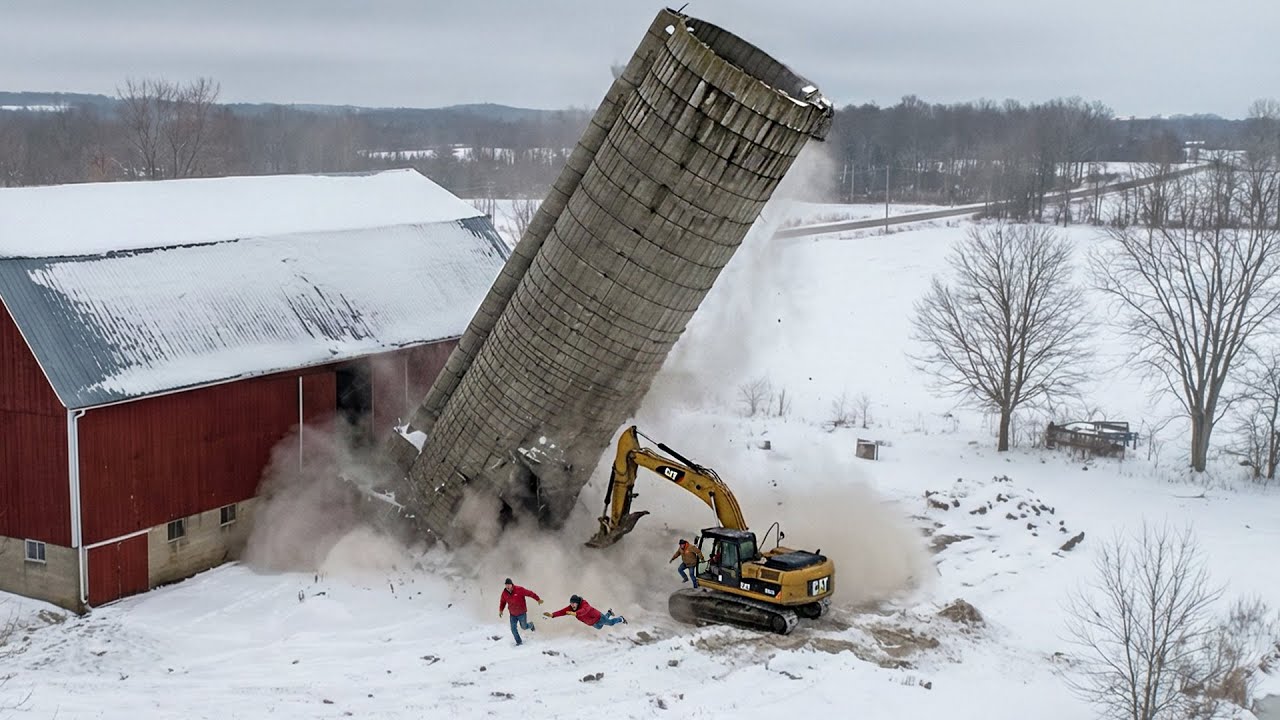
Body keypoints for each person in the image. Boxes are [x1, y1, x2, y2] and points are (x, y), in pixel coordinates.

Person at [498, 577, 543, 646]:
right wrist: (501, 610)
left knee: (524, 627)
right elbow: (503, 602)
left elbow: (530, 593)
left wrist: (538, 599)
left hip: (521, 613)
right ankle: (519, 642)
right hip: (512, 614)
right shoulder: (504, 593)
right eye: (506, 585)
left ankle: (531, 625)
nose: (507, 586)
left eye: (508, 584)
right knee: (513, 629)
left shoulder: (519, 589)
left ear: (511, 584)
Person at [543, 594, 627, 629]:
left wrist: (576, 613)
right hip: (592, 623)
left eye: (574, 603)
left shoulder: (584, 604)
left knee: (611, 623)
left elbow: (585, 610)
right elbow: (562, 612)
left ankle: (621, 618)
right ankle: (609, 612)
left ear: (578, 602)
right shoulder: (571, 608)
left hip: (598, 617)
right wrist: (552, 615)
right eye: (571, 603)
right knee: (600, 627)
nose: (572, 605)